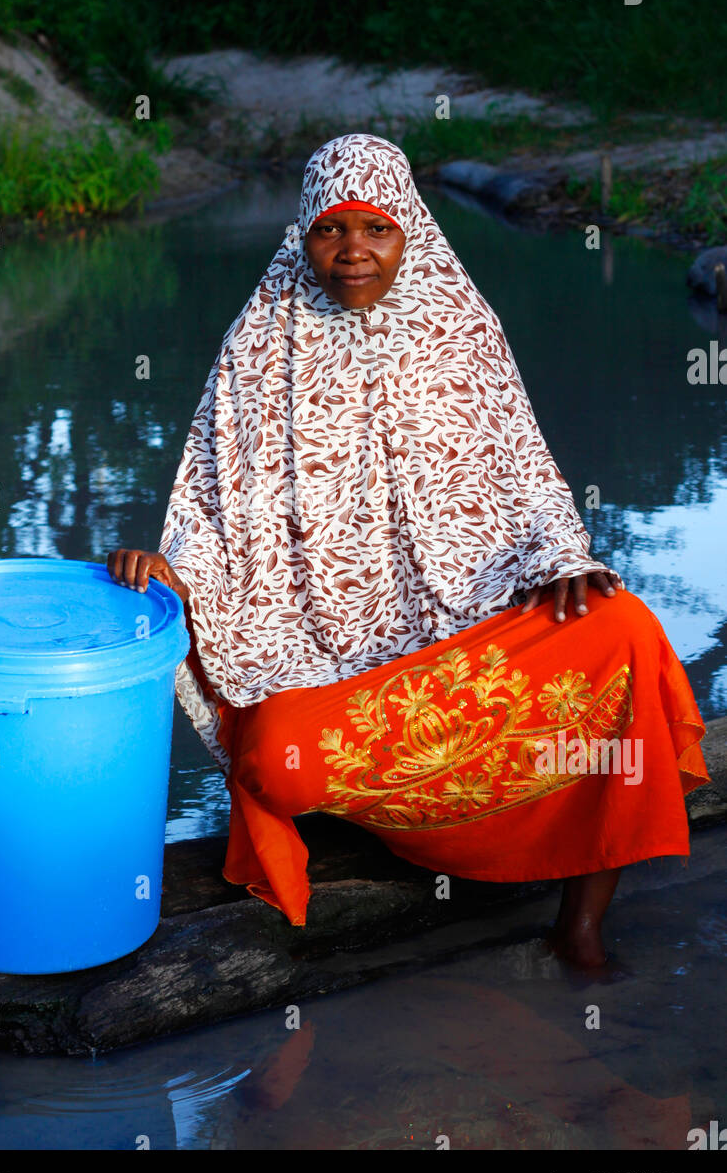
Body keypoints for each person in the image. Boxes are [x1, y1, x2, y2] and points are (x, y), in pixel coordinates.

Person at [108, 132, 709, 969]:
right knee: (275, 761)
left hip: (470, 632)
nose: (352, 252)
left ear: (412, 234)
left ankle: (580, 924)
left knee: (625, 631)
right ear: (302, 237)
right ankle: (413, 814)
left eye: (376, 229)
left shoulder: (461, 330)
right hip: (326, 665)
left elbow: (530, 472)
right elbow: (214, 511)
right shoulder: (260, 344)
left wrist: (565, 557)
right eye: (329, 230)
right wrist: (172, 567)